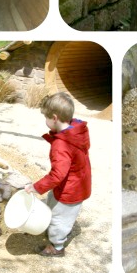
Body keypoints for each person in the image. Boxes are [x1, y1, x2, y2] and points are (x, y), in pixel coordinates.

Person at [25, 92, 91, 256]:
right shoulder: (77, 131)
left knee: (59, 219)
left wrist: (36, 187)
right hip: (76, 184)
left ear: (54, 118)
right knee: (54, 206)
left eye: (46, 117)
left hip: (70, 190)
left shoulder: (61, 145)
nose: (45, 121)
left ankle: (57, 247)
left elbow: (57, 175)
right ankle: (57, 231)